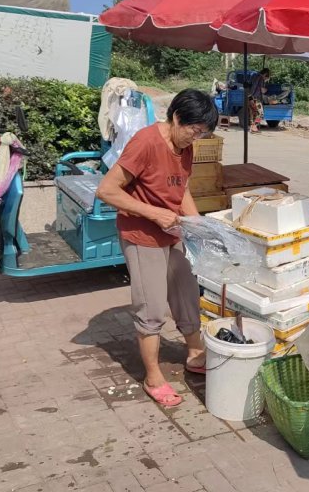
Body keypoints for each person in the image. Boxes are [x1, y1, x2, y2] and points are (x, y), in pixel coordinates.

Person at [96, 89, 218, 408]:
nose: (197, 137)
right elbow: (107, 191)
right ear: (176, 117)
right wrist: (153, 213)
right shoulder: (146, 142)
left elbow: (182, 188)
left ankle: (195, 353)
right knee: (151, 307)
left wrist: (199, 225)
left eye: (203, 133)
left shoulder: (185, 146)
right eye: (194, 130)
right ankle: (153, 377)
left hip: (173, 230)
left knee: (186, 293)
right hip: (142, 235)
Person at [248, 68, 269, 133]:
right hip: (256, 98)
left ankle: (252, 128)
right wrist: (266, 90)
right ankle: (254, 127)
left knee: (253, 113)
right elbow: (262, 90)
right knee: (260, 113)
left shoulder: (254, 75)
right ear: (265, 74)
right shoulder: (261, 79)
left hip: (249, 97)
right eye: (267, 75)